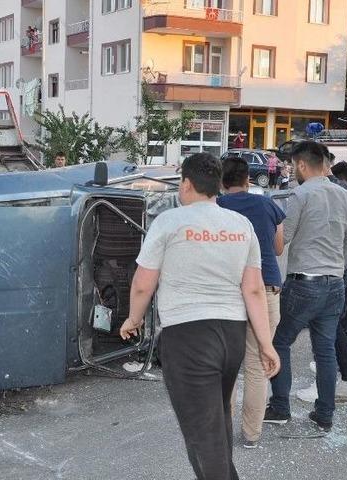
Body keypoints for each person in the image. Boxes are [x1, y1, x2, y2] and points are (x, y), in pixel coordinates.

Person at [119, 153, 280, 480]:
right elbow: (253, 290)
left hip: (188, 336)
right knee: (215, 420)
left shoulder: (170, 221)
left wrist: (133, 319)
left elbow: (143, 283)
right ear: (218, 185)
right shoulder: (241, 225)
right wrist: (265, 343)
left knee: (203, 432)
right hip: (231, 335)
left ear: (187, 184)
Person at [263, 141, 347, 432]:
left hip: (304, 282)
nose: (293, 172)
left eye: (293, 167)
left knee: (279, 342)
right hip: (334, 284)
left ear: (303, 165)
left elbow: (285, 236)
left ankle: (280, 407)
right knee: (325, 349)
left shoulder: (300, 194)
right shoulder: (345, 195)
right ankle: (324, 414)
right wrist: (336, 266)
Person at [217, 156, 285, 449]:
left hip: (227, 292)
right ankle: (251, 435)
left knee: (226, 366)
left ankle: (221, 435)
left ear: (222, 182)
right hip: (265, 287)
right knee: (258, 366)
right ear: (248, 180)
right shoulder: (267, 205)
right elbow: (279, 248)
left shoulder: (216, 207)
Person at [296, 160, 347, 402]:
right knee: (342, 325)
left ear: (340, 181)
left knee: (326, 325)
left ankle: (329, 383)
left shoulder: (344, 199)